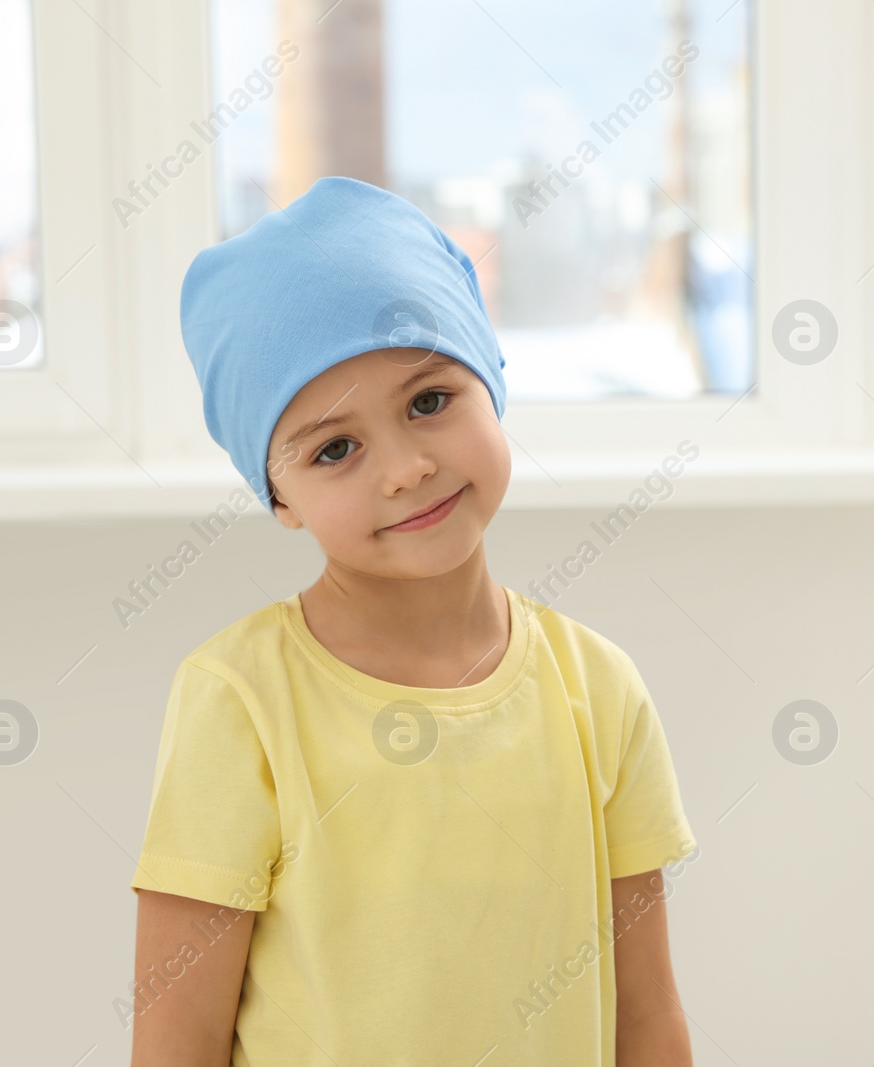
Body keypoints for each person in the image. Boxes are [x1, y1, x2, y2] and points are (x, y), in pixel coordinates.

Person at [127, 175, 699, 1066]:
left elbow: (647, 1017)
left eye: (430, 401)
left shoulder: (599, 689)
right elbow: (178, 1039)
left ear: (492, 383)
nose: (403, 469)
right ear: (279, 496)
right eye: (335, 448)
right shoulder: (239, 702)